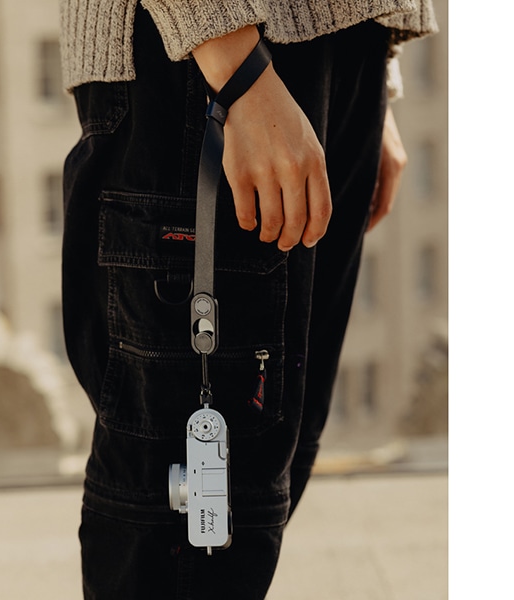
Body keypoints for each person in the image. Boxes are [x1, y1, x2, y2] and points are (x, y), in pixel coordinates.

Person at [59, 1, 437, 598]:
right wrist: (237, 70)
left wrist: (369, 65)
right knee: (178, 530)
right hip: (210, 54)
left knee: (262, 490)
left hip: (324, 58)